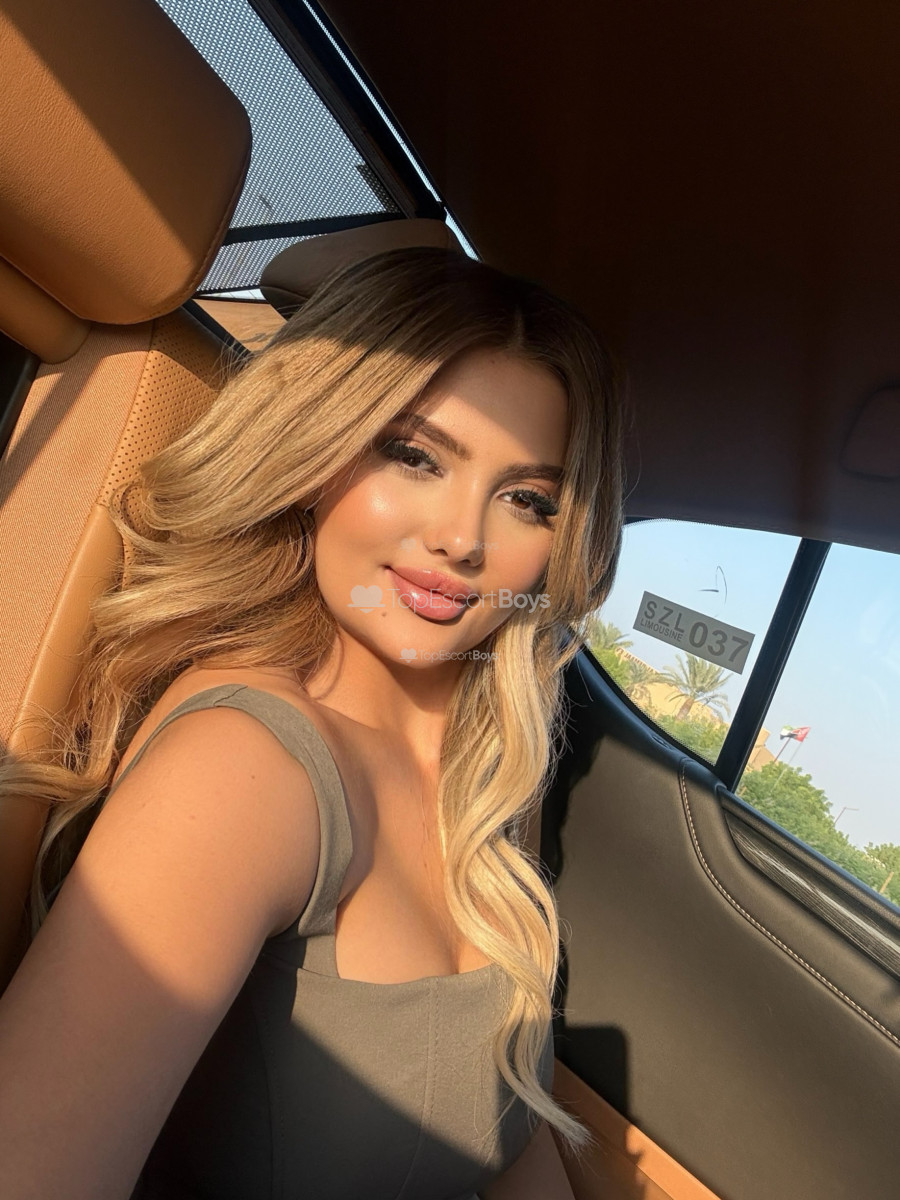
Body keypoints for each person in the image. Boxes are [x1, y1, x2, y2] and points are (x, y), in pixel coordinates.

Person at [0, 246, 624, 1199]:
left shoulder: (487, 779)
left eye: (527, 499)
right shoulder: (243, 767)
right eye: (413, 455)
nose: (463, 539)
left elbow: (514, 1145)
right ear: (310, 455)